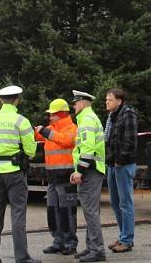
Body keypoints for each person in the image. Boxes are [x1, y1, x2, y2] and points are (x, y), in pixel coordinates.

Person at [0, 85, 39, 263]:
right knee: (18, 214)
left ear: (0, 101)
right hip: (15, 172)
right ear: (17, 100)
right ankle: (22, 257)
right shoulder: (21, 120)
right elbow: (30, 150)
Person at [34, 98, 78, 255]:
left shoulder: (71, 128)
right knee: (52, 210)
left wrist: (45, 131)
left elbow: (66, 141)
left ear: (61, 114)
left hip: (66, 177)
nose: (49, 117)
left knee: (67, 211)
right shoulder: (51, 128)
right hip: (52, 177)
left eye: (52, 114)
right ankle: (58, 241)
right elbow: (35, 136)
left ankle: (70, 243)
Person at [69, 90, 106, 263]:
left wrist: (79, 171)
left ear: (82, 103)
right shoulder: (87, 118)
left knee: (90, 212)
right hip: (92, 170)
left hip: (90, 171)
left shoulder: (87, 120)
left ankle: (97, 250)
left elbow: (88, 148)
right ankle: (91, 246)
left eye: (75, 103)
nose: (74, 106)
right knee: (91, 210)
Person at [103, 88, 138, 253]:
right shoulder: (111, 117)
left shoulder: (128, 115)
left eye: (110, 99)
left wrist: (119, 160)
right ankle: (123, 234)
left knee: (125, 202)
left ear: (119, 100)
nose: (107, 102)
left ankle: (127, 239)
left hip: (123, 165)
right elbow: (109, 141)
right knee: (115, 202)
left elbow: (130, 141)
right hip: (112, 164)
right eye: (106, 99)